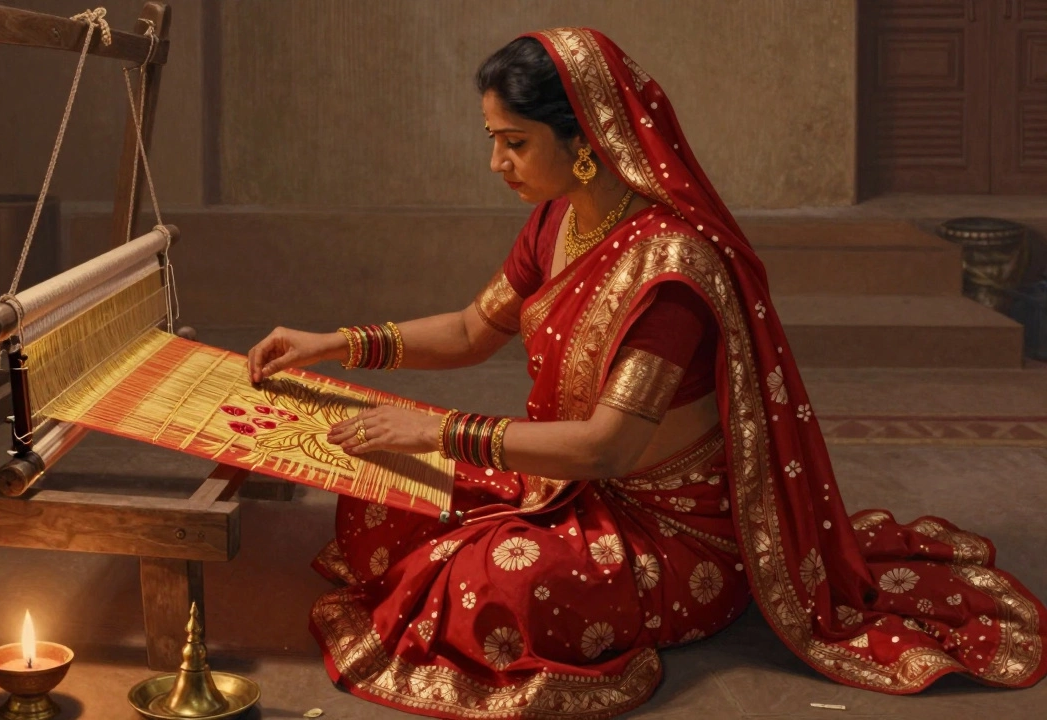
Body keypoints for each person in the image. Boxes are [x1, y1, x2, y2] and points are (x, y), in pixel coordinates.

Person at [245, 27, 1046, 719]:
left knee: (497, 589)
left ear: (587, 140)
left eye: (515, 140)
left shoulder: (667, 274)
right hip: (564, 490)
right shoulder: (556, 221)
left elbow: (606, 450)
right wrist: (333, 343)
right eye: (492, 137)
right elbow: (465, 331)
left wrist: (439, 429)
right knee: (380, 491)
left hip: (673, 534)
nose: (496, 161)